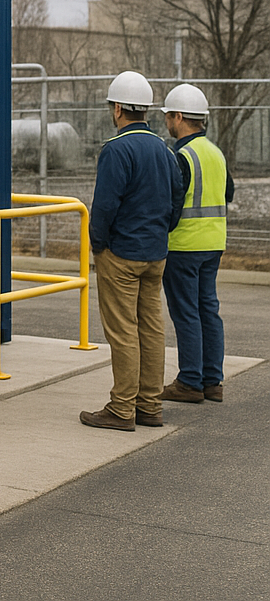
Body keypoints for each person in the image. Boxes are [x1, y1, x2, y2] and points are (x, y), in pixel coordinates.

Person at [81, 71, 184, 431]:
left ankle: (122, 408)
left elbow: (104, 206)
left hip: (121, 254)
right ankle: (149, 406)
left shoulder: (116, 149)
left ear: (118, 109)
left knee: (123, 331)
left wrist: (98, 244)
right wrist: (161, 232)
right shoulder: (164, 150)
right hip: (155, 253)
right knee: (151, 329)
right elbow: (177, 198)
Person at [159, 83, 233, 404]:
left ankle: (189, 381)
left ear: (178, 117)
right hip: (213, 243)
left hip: (184, 245)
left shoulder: (182, 156)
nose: (166, 122)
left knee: (186, 312)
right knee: (208, 310)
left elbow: (172, 204)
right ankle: (212, 381)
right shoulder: (216, 152)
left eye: (168, 116)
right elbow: (228, 193)